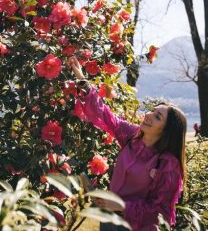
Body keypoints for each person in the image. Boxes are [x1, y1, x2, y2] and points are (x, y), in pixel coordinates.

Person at [67, 56, 187, 231]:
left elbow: (162, 213)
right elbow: (105, 115)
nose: (148, 115)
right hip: (108, 218)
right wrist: (80, 76)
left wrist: (121, 206)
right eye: (151, 111)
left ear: (167, 131)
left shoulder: (168, 165)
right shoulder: (132, 136)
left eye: (157, 116)